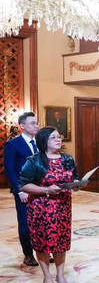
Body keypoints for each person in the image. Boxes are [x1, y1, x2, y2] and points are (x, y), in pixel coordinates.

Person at [19, 127, 81, 283]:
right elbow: (24, 184)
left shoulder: (67, 159)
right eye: (53, 137)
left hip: (63, 207)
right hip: (41, 208)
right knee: (43, 243)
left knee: (61, 241)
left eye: (59, 137)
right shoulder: (34, 160)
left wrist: (77, 185)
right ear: (44, 141)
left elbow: (74, 178)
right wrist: (46, 190)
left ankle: (60, 275)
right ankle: (47, 277)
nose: (58, 140)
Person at [4, 112, 40, 266]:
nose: (36, 126)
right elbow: (10, 169)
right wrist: (19, 190)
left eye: (37, 123)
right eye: (32, 123)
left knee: (42, 222)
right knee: (25, 223)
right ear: (22, 126)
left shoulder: (40, 143)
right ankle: (28, 254)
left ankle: (43, 252)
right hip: (23, 190)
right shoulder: (13, 144)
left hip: (41, 189)